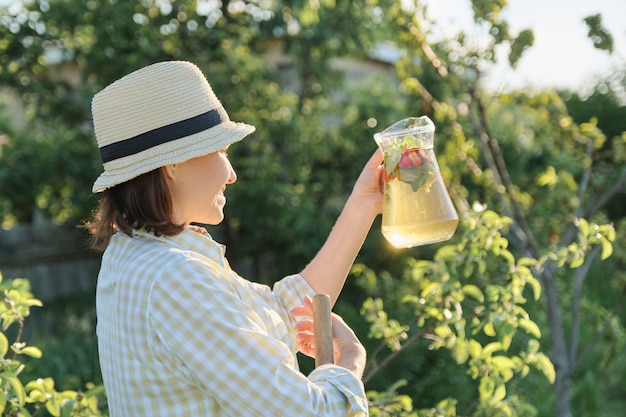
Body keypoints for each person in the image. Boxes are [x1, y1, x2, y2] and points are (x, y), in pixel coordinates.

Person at [85, 60, 384, 416]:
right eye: (222, 151)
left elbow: (277, 313)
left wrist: (363, 204)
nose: (231, 175)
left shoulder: (135, 253)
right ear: (172, 164)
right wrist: (350, 358)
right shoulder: (176, 279)